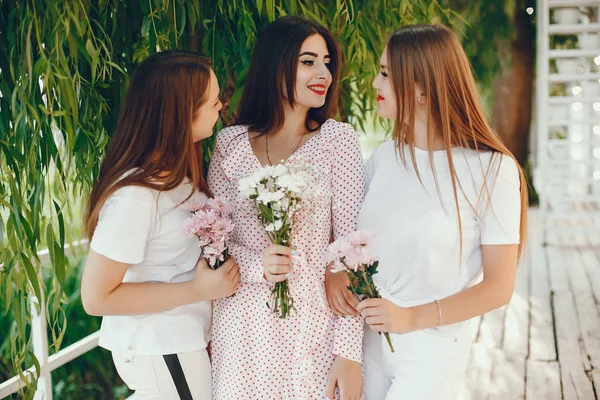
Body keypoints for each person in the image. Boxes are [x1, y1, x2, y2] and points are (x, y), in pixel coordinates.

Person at [326, 24, 528, 399]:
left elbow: (499, 287)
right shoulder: (385, 158)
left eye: (386, 73)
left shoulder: (493, 171)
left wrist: (411, 317)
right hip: (366, 343)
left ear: (422, 89)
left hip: (432, 349)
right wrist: (334, 271)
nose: (374, 83)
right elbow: (347, 238)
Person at [207, 16, 365, 400]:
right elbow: (213, 243)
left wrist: (349, 354)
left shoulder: (338, 141)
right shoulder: (229, 145)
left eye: (327, 62)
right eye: (308, 61)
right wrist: (255, 264)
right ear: (276, 64)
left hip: (312, 329)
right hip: (242, 330)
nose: (323, 73)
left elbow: (351, 251)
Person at [81, 50, 239, 400]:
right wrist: (197, 291)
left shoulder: (177, 177)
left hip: (181, 341)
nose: (220, 107)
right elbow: (95, 297)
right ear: (182, 112)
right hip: (161, 344)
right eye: (212, 102)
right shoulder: (136, 196)